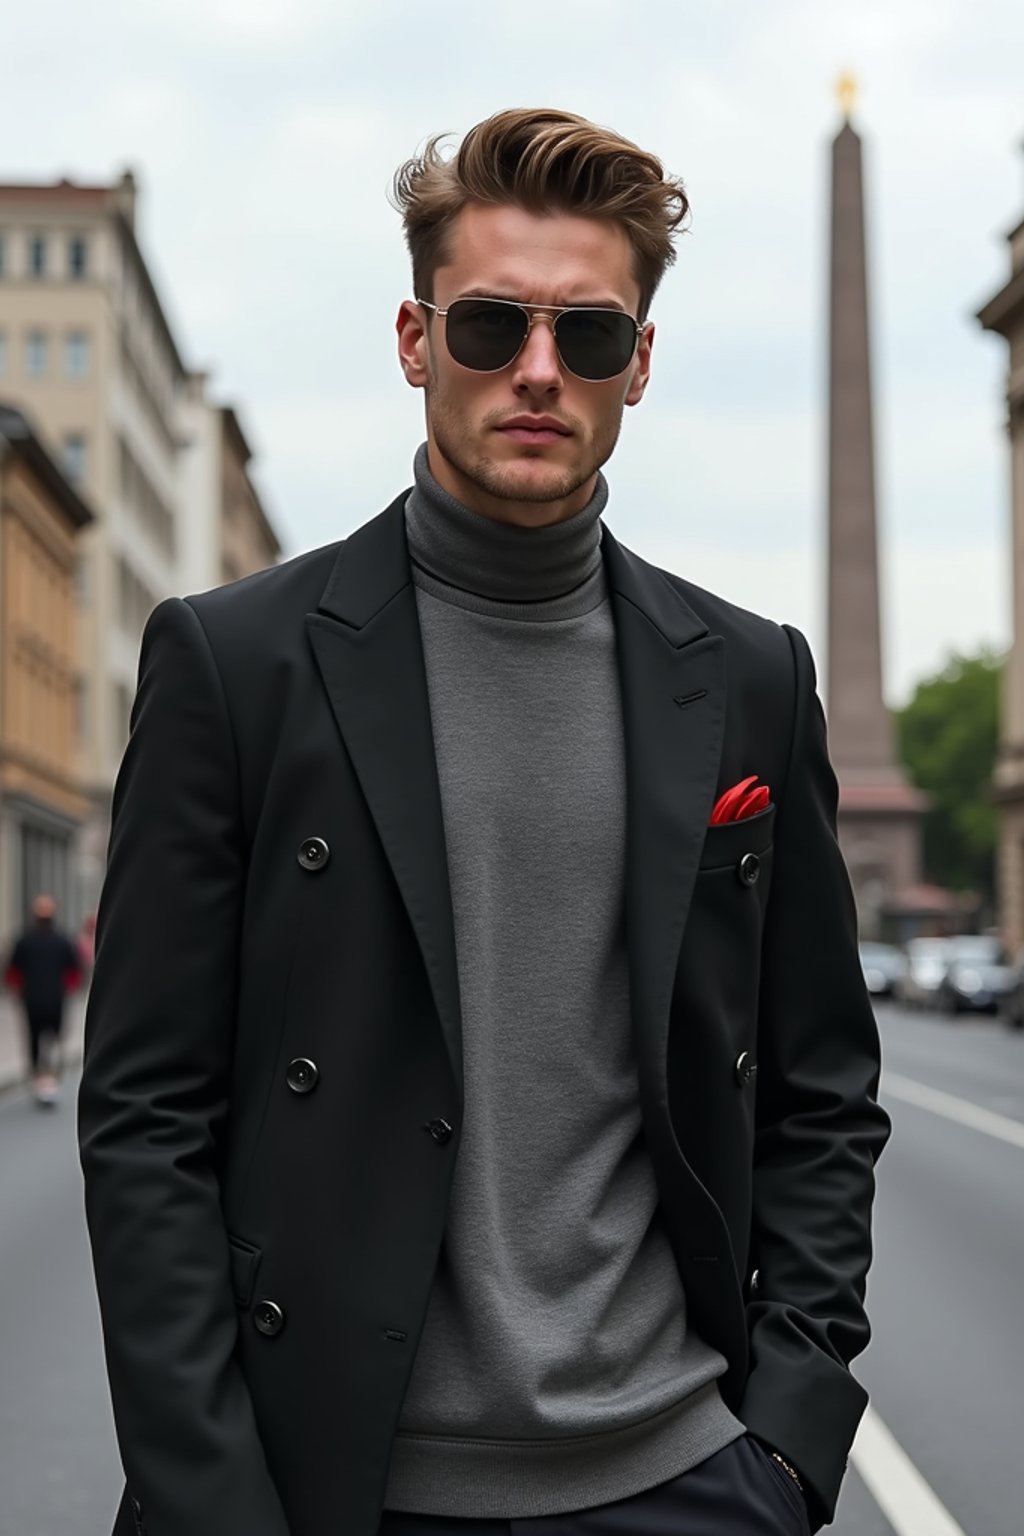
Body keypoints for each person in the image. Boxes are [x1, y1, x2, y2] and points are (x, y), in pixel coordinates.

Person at [78, 108, 891, 1536]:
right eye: (489, 325)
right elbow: (147, 1114)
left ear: (638, 365)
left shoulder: (752, 677)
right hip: (332, 1485)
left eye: (586, 337)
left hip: (678, 1478)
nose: (536, 371)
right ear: (413, 339)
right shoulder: (238, 663)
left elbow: (821, 1087)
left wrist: (790, 1442)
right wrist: (210, 1497)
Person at [5, 893, 81, 1106]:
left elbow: (13, 973)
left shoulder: (24, 940)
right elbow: (74, 973)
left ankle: (39, 1077)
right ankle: (50, 1077)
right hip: (56, 998)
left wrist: (17, 992)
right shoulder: (63, 940)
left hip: (31, 999)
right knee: (55, 1037)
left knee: (33, 1037)